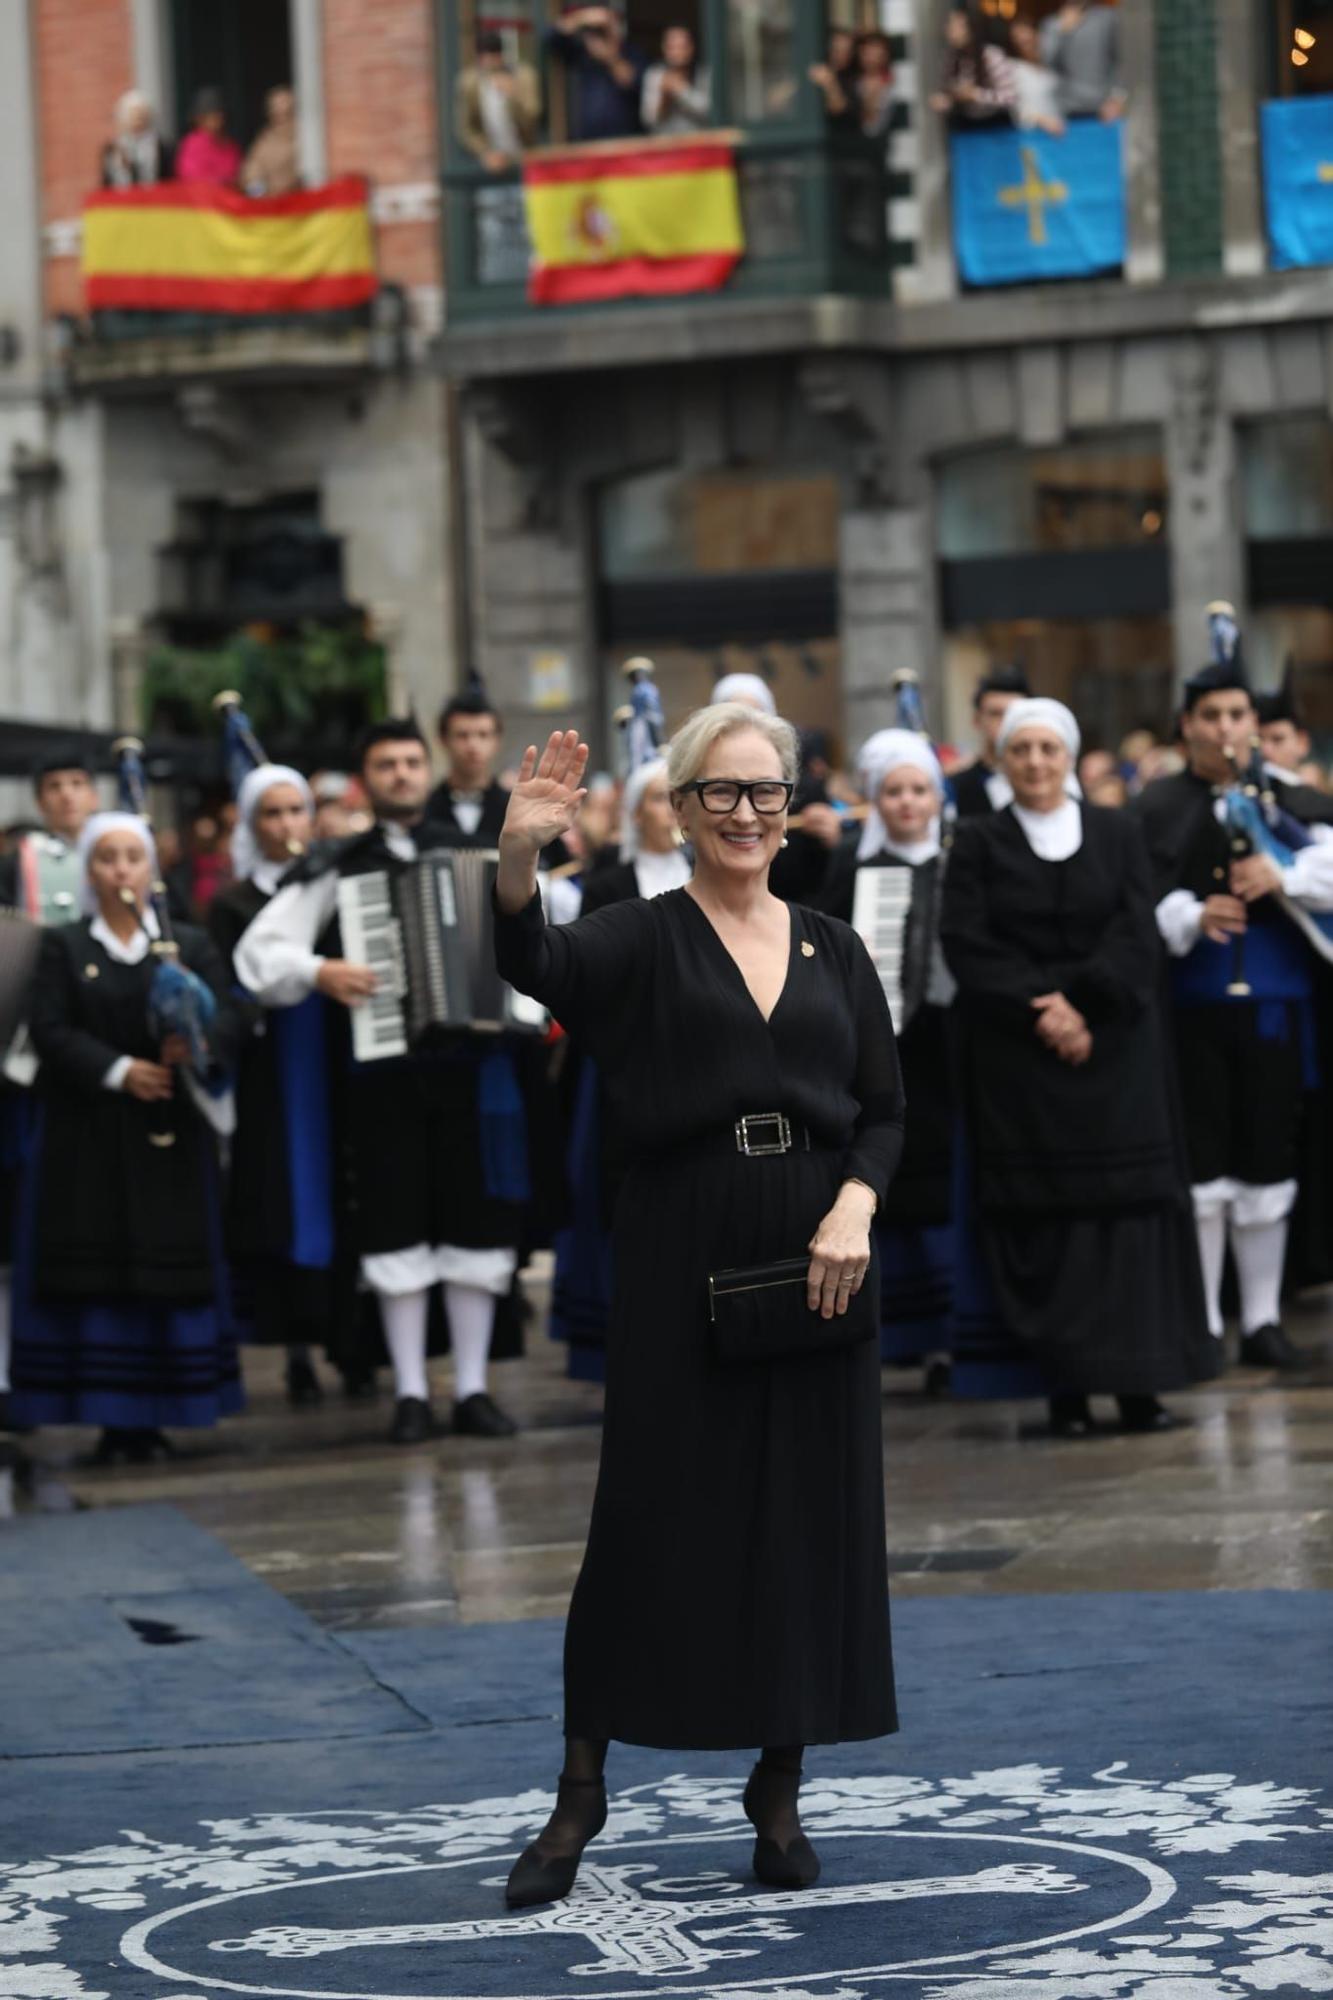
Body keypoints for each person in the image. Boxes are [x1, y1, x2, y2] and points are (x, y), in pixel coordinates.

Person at [493, 709, 903, 1910]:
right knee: (648, 1516)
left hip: (822, 1251)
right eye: (718, 795)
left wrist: (855, 1206)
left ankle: (777, 1791)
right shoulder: (639, 937)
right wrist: (520, 851)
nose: (743, 815)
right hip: (682, 1241)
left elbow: (883, 1106)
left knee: (807, 1523)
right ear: (677, 810)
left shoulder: (836, 944)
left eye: (764, 794)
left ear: (790, 808)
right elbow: (535, 966)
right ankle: (580, 1792)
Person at [236, 721, 533, 1445]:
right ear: (366, 779)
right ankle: (408, 1392)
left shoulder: (474, 850)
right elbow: (259, 953)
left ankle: (470, 1389)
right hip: (381, 1077)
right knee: (393, 1224)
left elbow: (537, 928)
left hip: (471, 1068)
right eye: (385, 764)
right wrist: (322, 971)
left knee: (475, 1224)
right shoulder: (342, 864)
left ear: (423, 770)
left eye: (409, 762)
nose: (400, 773)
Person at [940, 698, 1217, 1437]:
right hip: (1021, 1060)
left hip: (1116, 1049)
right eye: (1020, 749)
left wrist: (1084, 1006)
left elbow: (1136, 929)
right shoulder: (976, 841)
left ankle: (1139, 1386)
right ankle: (1064, 1389)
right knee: (1049, 1225)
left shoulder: (1117, 832)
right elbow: (966, 941)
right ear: (1001, 758)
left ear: (1068, 756)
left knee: (1129, 1221)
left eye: (1047, 749)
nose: (1034, 762)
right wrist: (1044, 1008)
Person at [8, 813, 242, 1463]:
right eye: (106, 857)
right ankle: (110, 1419)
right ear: (89, 871)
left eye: (131, 857)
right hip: (88, 1137)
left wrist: (192, 1042)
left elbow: (229, 1019)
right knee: (96, 1269)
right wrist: (117, 1070)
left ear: (151, 869)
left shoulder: (187, 946)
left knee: (165, 1265)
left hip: (168, 1137)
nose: (119, 870)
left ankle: (163, 1412)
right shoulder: (65, 945)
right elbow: (47, 1028)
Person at [1133, 659, 1333, 1372]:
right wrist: (1187, 912)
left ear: (1254, 724)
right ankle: (1205, 1321)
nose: (1224, 731)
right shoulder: (1155, 806)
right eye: (1210, 717)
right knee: (1205, 1162)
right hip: (1190, 1006)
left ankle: (1262, 1319)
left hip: (1278, 1006)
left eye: (1236, 717)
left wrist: (1284, 875)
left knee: (1268, 1156)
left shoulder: (1292, 800)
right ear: (1187, 725)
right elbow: (1130, 903)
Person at [208, 765, 352, 1409]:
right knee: (283, 1192)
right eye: (271, 813)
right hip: (273, 1066)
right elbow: (226, 986)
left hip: (337, 1051)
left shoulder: (337, 879)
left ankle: (355, 1343)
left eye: (296, 810)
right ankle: (295, 1342)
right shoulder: (233, 901)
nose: (287, 824)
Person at [820, 731, 957, 1390]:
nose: (907, 803)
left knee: (942, 1180)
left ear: (936, 796)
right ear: (875, 799)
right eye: (893, 791)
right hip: (880, 1045)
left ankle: (946, 1339)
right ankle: (896, 1332)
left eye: (918, 790)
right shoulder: (853, 863)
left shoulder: (960, 857)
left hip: (949, 1047)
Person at [549, 758, 692, 1380]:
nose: (669, 812)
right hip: (623, 1069)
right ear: (636, 813)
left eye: (677, 799)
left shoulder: (710, 873)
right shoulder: (608, 884)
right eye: (657, 800)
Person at [0, 751, 100, 1433]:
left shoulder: (123, 849)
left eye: (76, 785)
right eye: (54, 787)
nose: (66, 797)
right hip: (31, 1062)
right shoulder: (19, 864)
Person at [547, 8, 645, 143]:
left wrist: (610, 58)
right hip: (588, 142)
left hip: (625, 141)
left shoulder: (632, 53)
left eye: (604, 30)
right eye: (596, 31)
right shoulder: (582, 55)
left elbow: (633, 82)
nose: (600, 35)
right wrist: (581, 18)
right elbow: (551, 37)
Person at [951, 666, 1032, 818]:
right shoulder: (956, 787)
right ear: (976, 720)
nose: (1007, 721)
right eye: (996, 714)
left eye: (1015, 714)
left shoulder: (1053, 784)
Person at [428, 687, 509, 841]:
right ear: (443, 740)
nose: (473, 746)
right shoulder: (422, 811)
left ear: (497, 741)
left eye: (483, 735)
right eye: (462, 735)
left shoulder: (516, 810)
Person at [457, 31, 543, 174]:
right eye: (485, 57)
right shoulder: (469, 82)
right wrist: (486, 152)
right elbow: (466, 127)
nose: (490, 62)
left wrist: (513, 95)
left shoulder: (523, 76)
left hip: (524, 158)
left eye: (494, 56)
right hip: (492, 163)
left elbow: (532, 119)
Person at [929, 7, 1017, 128]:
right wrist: (946, 100)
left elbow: (1010, 98)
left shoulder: (991, 56)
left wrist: (975, 95)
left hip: (996, 126)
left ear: (970, 29)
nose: (948, 30)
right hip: (967, 125)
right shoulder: (953, 58)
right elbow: (951, 92)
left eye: (955, 26)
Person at [1039, 1, 1126, 121]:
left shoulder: (1107, 18)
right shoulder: (1052, 24)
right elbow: (1048, 64)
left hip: (1104, 109)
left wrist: (1117, 98)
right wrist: (1063, 32)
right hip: (1065, 109)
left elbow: (1120, 60)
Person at [641, 26, 711, 135]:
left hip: (697, 142)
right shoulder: (655, 74)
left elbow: (710, 111)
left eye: (682, 47)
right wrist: (665, 98)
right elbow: (648, 120)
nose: (677, 52)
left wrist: (682, 91)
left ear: (692, 48)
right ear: (664, 48)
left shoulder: (702, 74)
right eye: (672, 47)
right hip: (666, 146)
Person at [100, 89, 174, 187]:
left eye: (141, 114)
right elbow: (106, 183)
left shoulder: (162, 147)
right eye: (132, 114)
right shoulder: (112, 149)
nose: (137, 119)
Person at [1007, 18, 1065, 134]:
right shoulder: (1011, 68)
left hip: (1060, 131)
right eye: (1017, 39)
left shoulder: (1050, 64)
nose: (1022, 40)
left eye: (1026, 36)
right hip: (1032, 134)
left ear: (1037, 35)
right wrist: (1043, 121)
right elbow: (1016, 108)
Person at [174, 88, 242, 186]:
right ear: (198, 119)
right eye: (211, 116)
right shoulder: (192, 143)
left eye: (220, 116)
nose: (217, 121)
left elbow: (238, 173)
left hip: (227, 198)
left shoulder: (230, 144)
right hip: (203, 198)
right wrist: (222, 181)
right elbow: (191, 176)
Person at [241, 86, 301, 197]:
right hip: (273, 206)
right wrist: (261, 194)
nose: (282, 119)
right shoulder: (265, 141)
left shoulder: (308, 138)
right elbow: (251, 174)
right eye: (277, 114)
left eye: (288, 113)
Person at [809, 27, 858, 129]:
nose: (842, 56)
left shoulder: (852, 78)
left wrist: (829, 84)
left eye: (847, 51)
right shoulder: (815, 67)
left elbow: (839, 109)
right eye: (837, 50)